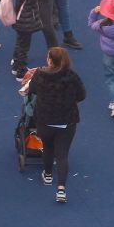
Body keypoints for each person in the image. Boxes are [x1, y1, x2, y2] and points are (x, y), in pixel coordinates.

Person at [28, 46, 86, 204]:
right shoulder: (72, 76)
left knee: (47, 147)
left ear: (50, 60)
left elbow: (31, 90)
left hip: (44, 120)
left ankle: (47, 175)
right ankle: (61, 189)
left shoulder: (40, 74)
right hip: (67, 121)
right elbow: (82, 95)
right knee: (62, 155)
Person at [6, 0, 59, 78]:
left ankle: (16, 66)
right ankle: (21, 72)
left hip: (21, 22)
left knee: (19, 44)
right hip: (26, 23)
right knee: (24, 48)